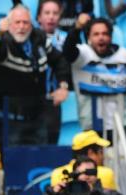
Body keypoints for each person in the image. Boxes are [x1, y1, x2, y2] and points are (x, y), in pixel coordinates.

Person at [0, 4, 70, 146]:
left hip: (39, 116)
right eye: (17, 22)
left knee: (42, 163)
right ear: (8, 24)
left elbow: (59, 60)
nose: (21, 27)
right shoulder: (2, 41)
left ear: (31, 24)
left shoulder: (39, 37)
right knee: (15, 164)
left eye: (25, 22)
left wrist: (63, 86)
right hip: (10, 118)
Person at [63, 15, 126, 140]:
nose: (101, 37)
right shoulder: (81, 55)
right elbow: (67, 50)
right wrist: (77, 27)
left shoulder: (124, 55)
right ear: (89, 37)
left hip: (123, 123)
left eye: (105, 33)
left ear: (111, 37)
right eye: (96, 34)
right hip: (91, 126)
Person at [37, 0, 69, 144]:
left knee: (51, 145)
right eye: (47, 13)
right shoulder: (28, 36)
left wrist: (63, 87)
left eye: (55, 13)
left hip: (53, 101)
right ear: (38, 17)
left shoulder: (66, 39)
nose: (51, 17)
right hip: (30, 101)